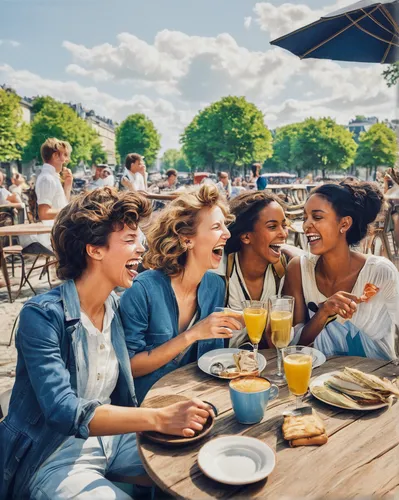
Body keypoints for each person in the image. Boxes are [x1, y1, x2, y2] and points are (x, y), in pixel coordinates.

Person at [0, 187, 214, 500]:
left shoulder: (113, 305)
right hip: (52, 458)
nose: (141, 247)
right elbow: (63, 411)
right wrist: (158, 418)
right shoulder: (42, 316)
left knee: (202, 466)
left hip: (112, 439)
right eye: (129, 239)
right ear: (95, 250)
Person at [120, 184, 243, 403]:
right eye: (216, 227)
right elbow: (129, 367)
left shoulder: (215, 286)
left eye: (225, 226)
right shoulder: (142, 290)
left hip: (200, 399)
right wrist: (193, 334)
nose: (227, 234)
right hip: (149, 406)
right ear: (187, 239)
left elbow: (213, 359)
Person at [283, 180, 399, 360]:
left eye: (317, 217)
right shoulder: (298, 269)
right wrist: (323, 313)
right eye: (305, 218)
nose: (306, 225)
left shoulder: (381, 272)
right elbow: (295, 347)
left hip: (376, 380)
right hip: (319, 381)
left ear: (344, 224)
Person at [219, 191, 302, 348]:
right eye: (272, 226)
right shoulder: (222, 272)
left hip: (265, 365)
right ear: (246, 237)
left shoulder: (284, 270)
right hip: (222, 366)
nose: (283, 233)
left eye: (284, 225)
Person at [20, 138, 73, 251]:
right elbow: (44, 213)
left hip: (58, 232)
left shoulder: (51, 177)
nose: (66, 159)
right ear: (55, 156)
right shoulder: (47, 179)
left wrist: (67, 187)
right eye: (64, 155)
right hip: (51, 236)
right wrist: (73, 211)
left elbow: (61, 206)